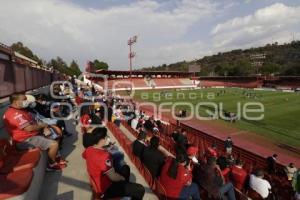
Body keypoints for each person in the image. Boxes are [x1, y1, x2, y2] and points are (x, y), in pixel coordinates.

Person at [3, 93, 64, 171]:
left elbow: (34, 122)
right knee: (54, 144)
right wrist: (43, 125)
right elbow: (29, 128)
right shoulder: (15, 114)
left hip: (32, 135)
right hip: (25, 140)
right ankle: (51, 165)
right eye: (24, 99)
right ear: (15, 102)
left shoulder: (20, 110)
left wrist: (45, 127)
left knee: (55, 134)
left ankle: (56, 157)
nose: (26, 101)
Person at [82, 127, 145, 200]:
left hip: (99, 182)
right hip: (106, 189)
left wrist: (104, 149)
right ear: (103, 140)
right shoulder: (104, 156)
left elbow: (90, 154)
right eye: (106, 137)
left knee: (126, 168)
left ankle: (125, 188)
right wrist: (122, 178)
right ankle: (125, 188)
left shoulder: (88, 150)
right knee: (140, 189)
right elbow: (113, 177)